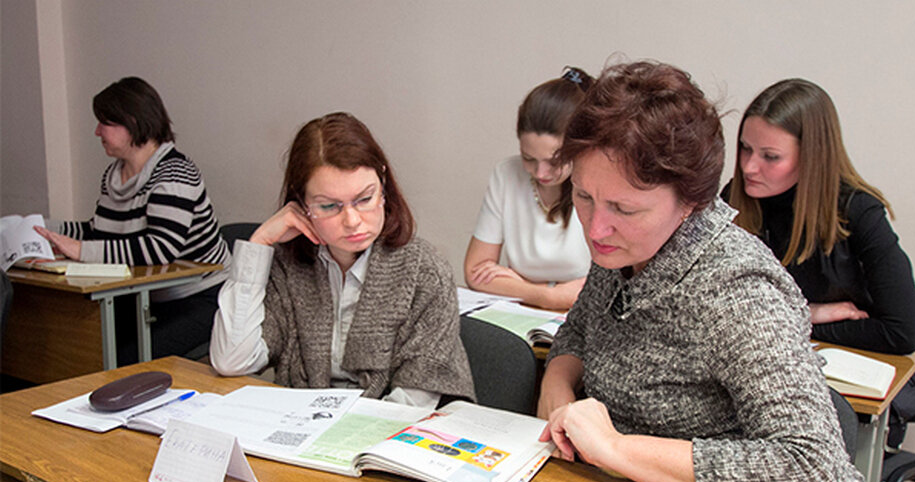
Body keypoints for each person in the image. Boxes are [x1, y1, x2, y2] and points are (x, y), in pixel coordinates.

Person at [537, 62, 875, 482]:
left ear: (691, 201)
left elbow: (812, 470)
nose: (595, 228)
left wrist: (616, 448)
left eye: (624, 208)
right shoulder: (628, 246)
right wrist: (558, 382)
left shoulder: (738, 290)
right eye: (584, 196)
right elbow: (580, 328)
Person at [209, 112, 475, 408]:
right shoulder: (288, 266)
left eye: (364, 199)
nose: (352, 220)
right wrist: (260, 242)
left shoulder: (425, 271)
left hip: (386, 436)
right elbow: (231, 361)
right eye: (329, 206)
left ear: (383, 185)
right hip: (301, 429)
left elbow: (411, 402)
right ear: (301, 202)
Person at [33, 76, 232, 364]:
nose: (97, 131)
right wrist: (43, 229)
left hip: (201, 298)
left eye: (105, 123)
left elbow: (160, 249)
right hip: (144, 297)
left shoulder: (175, 173)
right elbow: (98, 231)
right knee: (73, 348)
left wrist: (80, 251)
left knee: (120, 360)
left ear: (133, 123)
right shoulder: (114, 175)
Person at [724, 78, 915, 355]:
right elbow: (715, 306)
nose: (749, 167)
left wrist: (793, 321)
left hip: (856, 375)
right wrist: (810, 313)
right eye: (745, 148)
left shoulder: (859, 211)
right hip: (767, 358)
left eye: (771, 156)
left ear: (811, 157)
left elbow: (899, 334)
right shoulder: (733, 199)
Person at [464, 68, 593, 310]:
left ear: (580, 147)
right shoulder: (507, 173)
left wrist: (520, 287)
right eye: (529, 158)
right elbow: (475, 272)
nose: (540, 173)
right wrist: (549, 295)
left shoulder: (598, 187)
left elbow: (605, 291)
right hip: (523, 316)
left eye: (555, 161)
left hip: (581, 321)